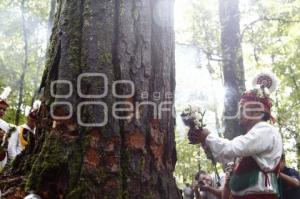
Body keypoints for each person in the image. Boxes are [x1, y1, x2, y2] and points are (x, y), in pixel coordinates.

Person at [188, 72, 283, 199]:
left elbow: (230, 149)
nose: (239, 113)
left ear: (256, 110)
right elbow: (226, 156)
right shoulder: (254, 135)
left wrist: (208, 136)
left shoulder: (265, 130)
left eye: (243, 108)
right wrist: (205, 141)